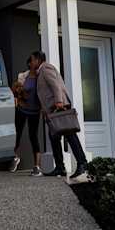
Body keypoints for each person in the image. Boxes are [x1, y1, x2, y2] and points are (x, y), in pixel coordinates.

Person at [28, 51, 88, 179]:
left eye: (32, 60)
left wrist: (59, 101)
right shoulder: (40, 71)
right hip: (52, 110)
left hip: (58, 107)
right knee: (54, 138)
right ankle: (60, 168)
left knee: (70, 135)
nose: (31, 63)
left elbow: (55, 85)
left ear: (38, 60)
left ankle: (82, 164)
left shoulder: (46, 68)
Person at [10, 58, 43, 176]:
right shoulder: (22, 76)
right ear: (29, 63)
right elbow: (14, 91)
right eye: (33, 61)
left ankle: (37, 166)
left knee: (33, 136)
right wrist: (19, 90)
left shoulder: (41, 76)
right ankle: (15, 158)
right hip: (22, 109)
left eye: (37, 61)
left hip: (34, 111)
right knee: (17, 134)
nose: (36, 63)